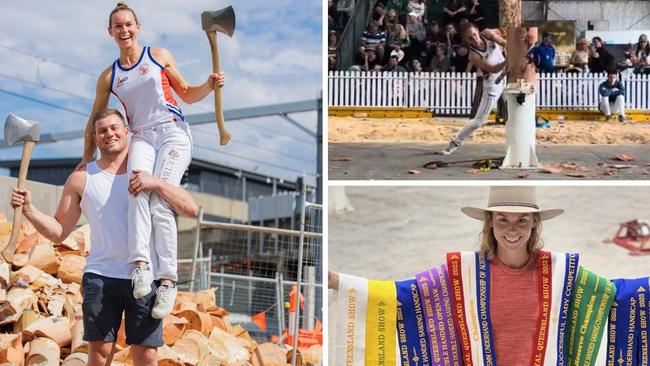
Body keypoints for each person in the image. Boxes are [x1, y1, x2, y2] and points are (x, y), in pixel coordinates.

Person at [11, 109, 199, 366]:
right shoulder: (81, 178)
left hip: (146, 277)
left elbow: (191, 209)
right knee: (99, 356)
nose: (109, 134)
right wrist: (29, 210)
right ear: (95, 138)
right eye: (102, 130)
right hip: (101, 277)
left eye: (114, 127)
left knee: (147, 356)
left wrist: (156, 183)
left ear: (126, 132)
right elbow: (58, 231)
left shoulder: (150, 168)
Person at [75, 2, 224, 319]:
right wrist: (86, 158)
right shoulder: (109, 76)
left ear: (137, 27)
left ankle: (168, 281)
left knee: (160, 203)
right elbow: (94, 118)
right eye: (118, 26)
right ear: (110, 32)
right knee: (137, 191)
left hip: (172, 132)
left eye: (128, 24)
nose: (124, 30)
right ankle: (141, 266)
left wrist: (209, 86)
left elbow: (186, 93)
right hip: (141, 136)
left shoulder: (158, 56)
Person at [328, 186, 569, 364]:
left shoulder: (557, 272)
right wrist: (339, 282)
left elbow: (603, 296)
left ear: (534, 222)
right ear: (490, 223)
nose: (512, 229)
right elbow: (404, 293)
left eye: (522, 220)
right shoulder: (465, 273)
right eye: (503, 219)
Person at [440, 24, 507, 155]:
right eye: (470, 38)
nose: (475, 39)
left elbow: (503, 41)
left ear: (478, 30)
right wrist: (508, 60)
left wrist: (511, 50)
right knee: (479, 121)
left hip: (506, 76)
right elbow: (492, 69)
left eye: (475, 35)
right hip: (493, 84)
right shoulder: (473, 55)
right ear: (467, 40)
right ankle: (455, 142)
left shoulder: (487, 32)